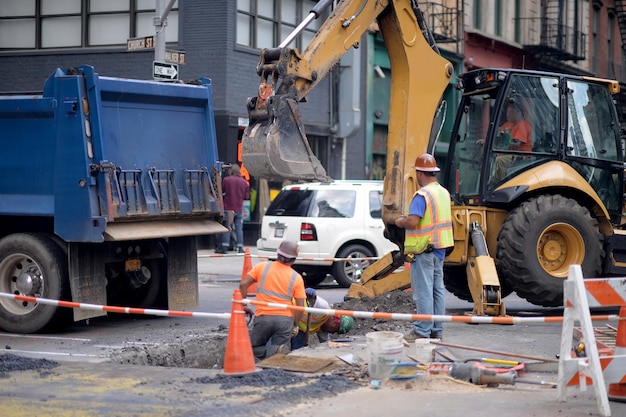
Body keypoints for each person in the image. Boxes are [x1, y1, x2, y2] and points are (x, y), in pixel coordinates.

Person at [394, 153, 453, 341]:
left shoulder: (422, 195)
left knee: (423, 292)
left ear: (420, 173)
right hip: (440, 248)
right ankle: (437, 330)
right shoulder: (443, 192)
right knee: (437, 290)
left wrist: (400, 221)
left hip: (424, 249)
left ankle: (421, 330)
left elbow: (413, 221)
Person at [240, 240, 306, 359]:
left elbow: (243, 284)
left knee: (252, 348)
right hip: (285, 321)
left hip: (263, 318)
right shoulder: (296, 277)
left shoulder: (262, 267)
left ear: (278, 254)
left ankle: (273, 352)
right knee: (280, 356)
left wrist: (243, 306)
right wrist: (295, 324)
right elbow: (300, 307)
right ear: (294, 259)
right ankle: (276, 352)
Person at [492, 99, 532, 180]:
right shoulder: (506, 125)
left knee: (500, 160)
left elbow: (516, 144)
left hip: (521, 156)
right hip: (507, 154)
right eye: (507, 112)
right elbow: (497, 138)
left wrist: (500, 142)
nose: (508, 115)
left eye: (511, 112)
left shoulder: (523, 125)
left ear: (518, 113)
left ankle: (499, 182)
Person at [216, 164, 250, 254]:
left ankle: (224, 246)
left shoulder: (227, 180)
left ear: (231, 171)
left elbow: (221, 192)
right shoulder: (244, 183)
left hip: (228, 208)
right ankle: (240, 247)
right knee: (239, 229)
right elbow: (246, 197)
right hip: (239, 208)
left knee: (227, 227)